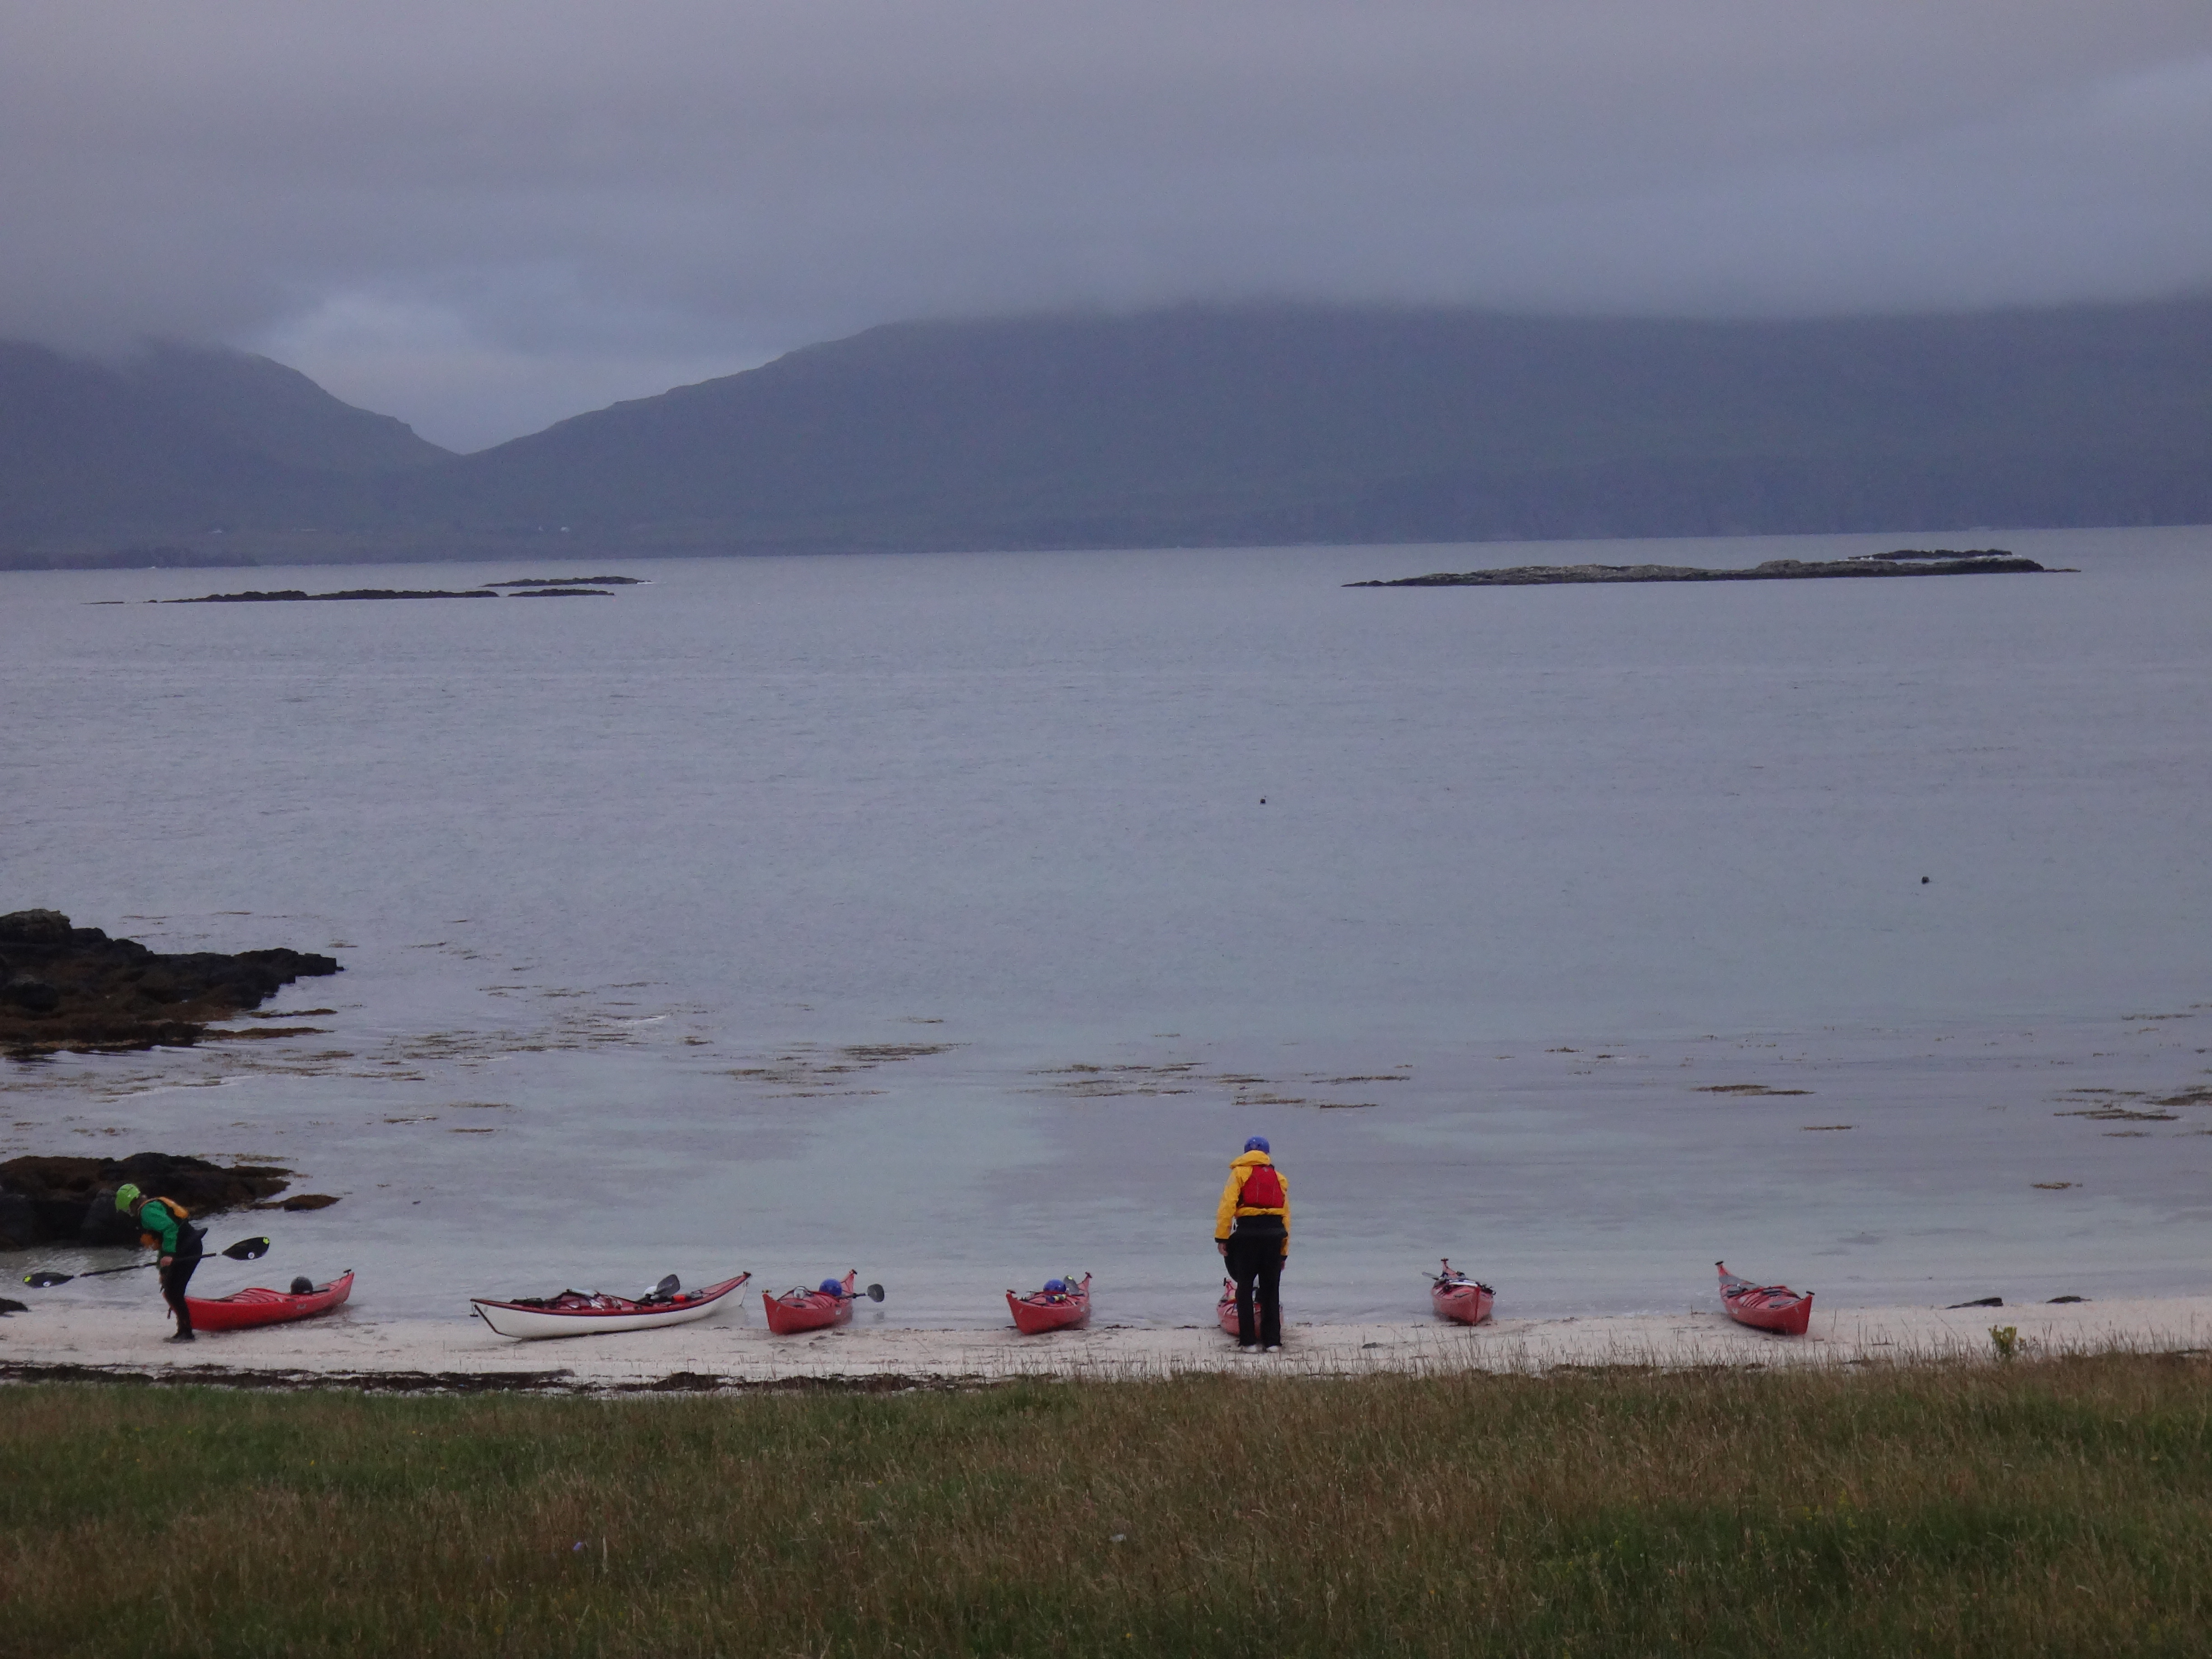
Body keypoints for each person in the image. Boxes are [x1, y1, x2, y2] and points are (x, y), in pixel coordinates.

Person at [1214, 1135, 1289, 1351]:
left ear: (1246, 1153)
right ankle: (1273, 1342)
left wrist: (1222, 1237)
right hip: (1275, 1235)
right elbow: (1287, 1217)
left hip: (1247, 1235)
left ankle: (1248, 1343)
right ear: (1267, 1154)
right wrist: (1283, 1251)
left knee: (1245, 1287)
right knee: (1271, 1289)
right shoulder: (1279, 1177)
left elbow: (1227, 1206)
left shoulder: (1239, 1173)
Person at [113, 1182, 205, 1342]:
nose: (129, 1213)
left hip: (188, 1249)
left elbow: (170, 1229)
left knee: (174, 1292)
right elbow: (164, 1244)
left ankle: (187, 1333)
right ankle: (183, 1330)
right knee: (171, 1289)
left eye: (127, 1210)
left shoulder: (147, 1212)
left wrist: (169, 1255)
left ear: (131, 1204)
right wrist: (163, 1271)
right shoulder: (151, 1207)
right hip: (187, 1248)